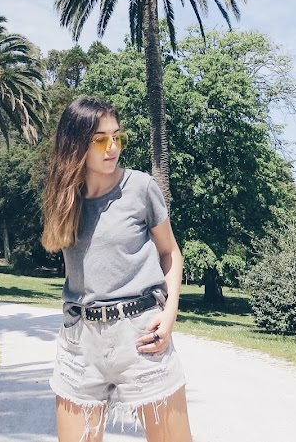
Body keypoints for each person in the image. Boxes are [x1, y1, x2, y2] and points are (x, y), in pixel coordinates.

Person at [42, 96, 193, 442]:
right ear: (76, 145)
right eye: (100, 140)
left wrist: (169, 314)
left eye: (117, 137)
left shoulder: (140, 188)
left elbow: (170, 252)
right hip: (80, 342)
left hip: (140, 335)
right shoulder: (64, 197)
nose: (112, 147)